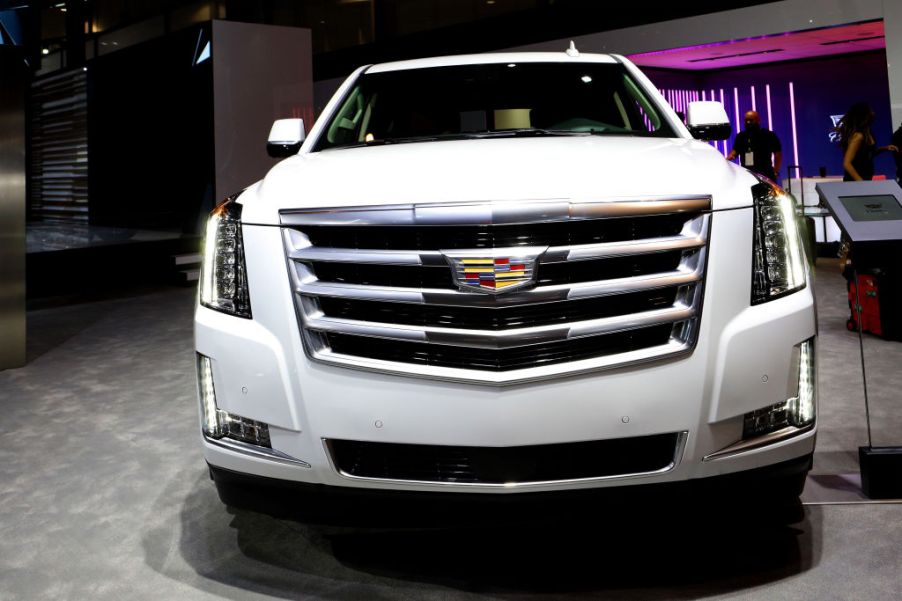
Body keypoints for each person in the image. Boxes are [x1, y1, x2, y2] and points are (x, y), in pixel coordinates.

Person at [834, 102, 898, 181]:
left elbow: (866, 155)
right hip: (855, 181)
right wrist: (860, 181)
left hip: (866, 177)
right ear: (864, 116)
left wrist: (884, 148)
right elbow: (847, 163)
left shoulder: (868, 132)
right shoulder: (858, 136)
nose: (873, 112)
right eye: (870, 111)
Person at [727, 110, 782, 181]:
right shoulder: (741, 136)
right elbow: (735, 151)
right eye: (746, 120)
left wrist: (776, 171)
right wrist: (727, 159)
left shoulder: (768, 135)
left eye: (751, 120)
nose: (748, 122)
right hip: (747, 174)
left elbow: (778, 154)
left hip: (765, 173)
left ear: (758, 120)